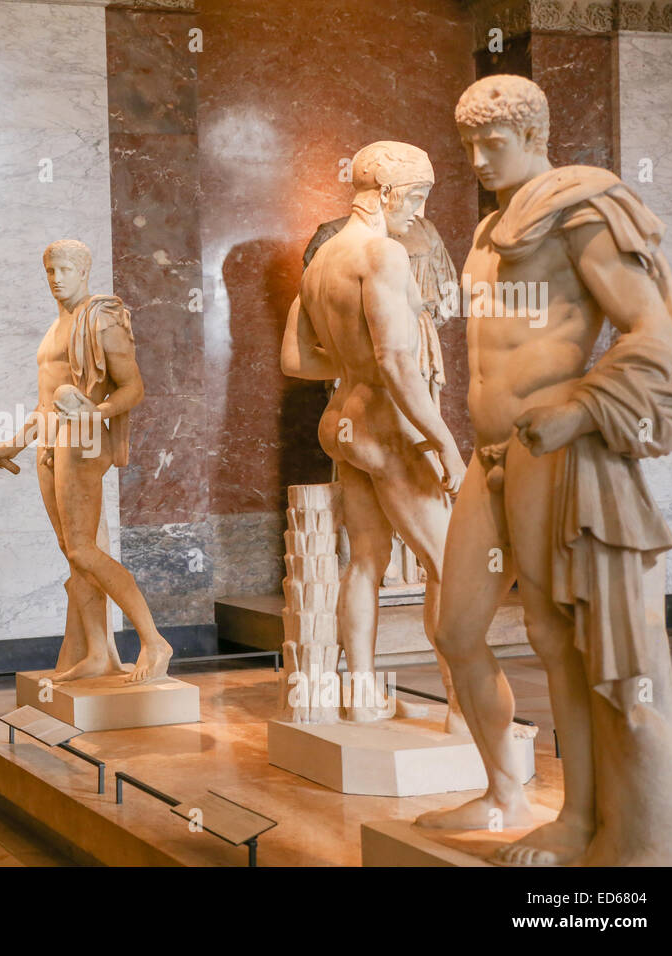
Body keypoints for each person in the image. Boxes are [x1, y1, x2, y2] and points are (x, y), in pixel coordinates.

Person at [417, 75, 672, 866]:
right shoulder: (484, 233)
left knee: (554, 633)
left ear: (535, 134)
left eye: (492, 143)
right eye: (467, 143)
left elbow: (653, 334)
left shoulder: (582, 210)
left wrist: (579, 408)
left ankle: (580, 819)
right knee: (456, 627)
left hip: (558, 450)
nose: (476, 159)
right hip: (491, 450)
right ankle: (505, 788)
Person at [282, 142, 468, 726]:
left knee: (364, 560)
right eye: (415, 197)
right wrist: (444, 440)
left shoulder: (320, 260)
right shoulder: (382, 254)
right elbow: (395, 361)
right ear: (387, 193)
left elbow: (295, 360)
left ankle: (360, 695)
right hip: (388, 423)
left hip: (342, 421)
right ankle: (466, 708)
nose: (418, 211)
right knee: (449, 564)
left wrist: (348, 364)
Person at [0, 239, 173, 683]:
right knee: (74, 556)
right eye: (50, 271)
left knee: (85, 549)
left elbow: (133, 388)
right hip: (52, 442)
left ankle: (154, 640)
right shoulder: (55, 328)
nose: (56, 278)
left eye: (64, 269)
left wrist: (94, 413)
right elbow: (48, 402)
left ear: (83, 271)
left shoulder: (100, 319)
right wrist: (12, 444)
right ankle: (98, 654)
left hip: (83, 441)